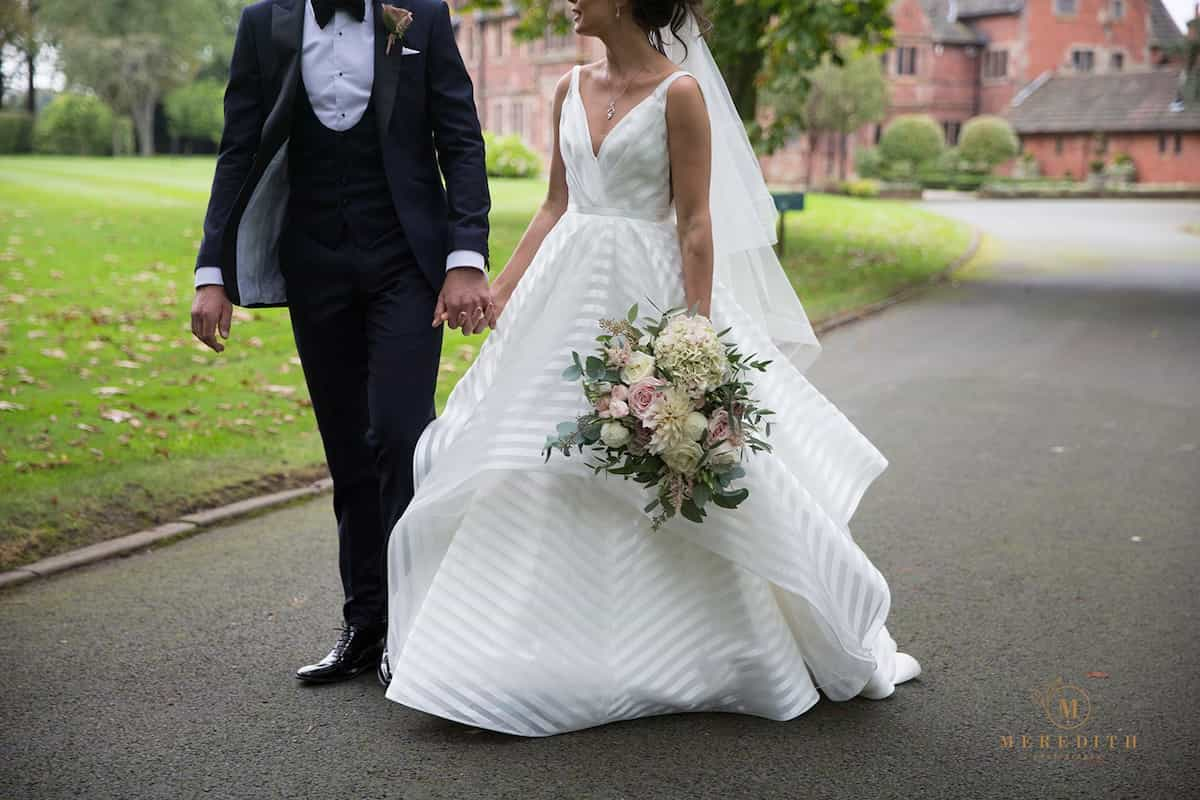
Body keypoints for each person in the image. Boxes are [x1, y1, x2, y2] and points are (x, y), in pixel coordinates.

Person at [376, 0, 922, 736]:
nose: (569, 1)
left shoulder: (681, 95)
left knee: (659, 457)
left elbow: (696, 223)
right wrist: (502, 290)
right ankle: (504, 656)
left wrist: (691, 340)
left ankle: (695, 648)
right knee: (533, 453)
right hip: (562, 299)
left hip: (649, 296)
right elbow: (553, 206)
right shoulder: (569, 86)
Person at [189, 0, 494, 683]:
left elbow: (461, 140)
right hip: (315, 262)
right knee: (348, 451)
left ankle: (414, 628)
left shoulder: (422, 15)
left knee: (397, 434)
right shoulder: (262, 23)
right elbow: (239, 147)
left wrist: (465, 257)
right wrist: (213, 273)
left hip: (405, 264)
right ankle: (366, 625)